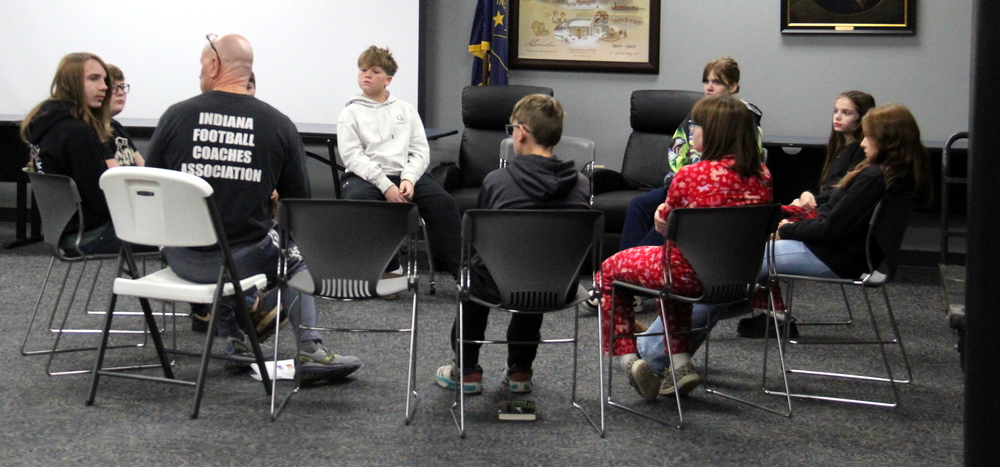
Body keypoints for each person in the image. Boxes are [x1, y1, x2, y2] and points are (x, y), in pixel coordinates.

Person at [145, 33, 361, 382]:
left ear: (214, 65)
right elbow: (298, 207)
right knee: (289, 249)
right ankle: (310, 348)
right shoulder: (278, 124)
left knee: (230, 238)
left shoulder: (174, 117)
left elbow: (149, 186)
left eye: (201, 66)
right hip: (238, 264)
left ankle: (236, 339)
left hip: (179, 260)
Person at [596, 94, 773, 401]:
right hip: (739, 279)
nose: (691, 132)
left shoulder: (690, 174)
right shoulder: (762, 175)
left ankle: (629, 360)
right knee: (676, 269)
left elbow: (667, 223)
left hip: (689, 276)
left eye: (697, 126)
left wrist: (662, 220)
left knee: (609, 271)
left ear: (716, 132)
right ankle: (680, 364)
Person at [434, 94, 590, 395]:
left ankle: (465, 370)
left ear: (521, 132)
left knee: (475, 274)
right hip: (558, 286)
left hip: (499, 284)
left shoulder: (497, 181)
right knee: (538, 266)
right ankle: (520, 370)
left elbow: (479, 242)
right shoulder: (581, 183)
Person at [737, 102, 931, 336]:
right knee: (744, 262)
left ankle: (696, 324)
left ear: (888, 141)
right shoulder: (899, 175)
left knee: (742, 261)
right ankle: (738, 309)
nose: (862, 143)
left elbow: (831, 228)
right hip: (848, 254)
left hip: (836, 257)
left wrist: (786, 230)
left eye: (869, 137)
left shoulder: (874, 176)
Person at [337, 45, 461, 277]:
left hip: (405, 175)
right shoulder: (350, 114)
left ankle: (461, 272)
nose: (366, 75)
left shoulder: (406, 110)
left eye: (374, 71)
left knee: (444, 203)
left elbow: (420, 150)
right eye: (363, 70)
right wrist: (386, 186)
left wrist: (409, 178)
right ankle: (388, 268)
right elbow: (353, 157)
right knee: (359, 200)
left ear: (388, 79)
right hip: (365, 177)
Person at [20, 52, 125, 256]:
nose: (105, 86)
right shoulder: (78, 133)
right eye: (94, 79)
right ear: (71, 83)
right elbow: (100, 200)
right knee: (177, 239)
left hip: (63, 233)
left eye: (104, 79)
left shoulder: (46, 124)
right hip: (90, 236)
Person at [785, 90, 876, 218]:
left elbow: (841, 193)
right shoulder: (840, 148)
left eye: (846, 113)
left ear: (862, 118)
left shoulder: (859, 151)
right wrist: (806, 194)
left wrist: (809, 203)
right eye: (836, 111)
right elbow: (827, 188)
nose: (837, 116)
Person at [105, 64, 145, 168]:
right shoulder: (90, 131)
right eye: (114, 88)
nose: (121, 93)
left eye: (122, 87)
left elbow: (145, 168)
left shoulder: (117, 127)